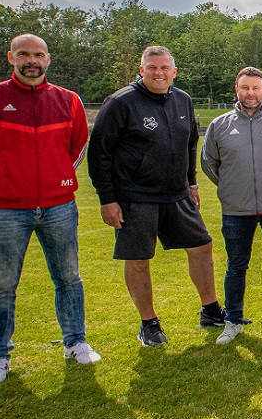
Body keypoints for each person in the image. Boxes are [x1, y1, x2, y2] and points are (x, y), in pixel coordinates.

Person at [0, 33, 96, 386]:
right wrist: (2, 181)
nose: (31, 60)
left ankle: (75, 341)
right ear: (11, 57)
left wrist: (60, 179)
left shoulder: (68, 101)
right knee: (1, 284)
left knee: (69, 277)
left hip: (59, 205)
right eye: (24, 54)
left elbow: (78, 144)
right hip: (7, 209)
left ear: (48, 59)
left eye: (38, 54)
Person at [87, 45, 222, 347]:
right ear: (141, 70)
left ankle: (211, 310)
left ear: (174, 71)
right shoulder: (121, 103)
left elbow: (189, 145)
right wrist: (107, 199)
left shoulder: (183, 100)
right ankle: (148, 323)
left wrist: (192, 183)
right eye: (152, 68)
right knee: (138, 260)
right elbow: (99, 153)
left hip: (177, 195)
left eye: (164, 68)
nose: (158, 73)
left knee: (202, 246)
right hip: (136, 197)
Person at [201, 67, 262, 345]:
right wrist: (231, 186)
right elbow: (209, 163)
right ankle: (233, 320)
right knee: (236, 265)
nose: (251, 93)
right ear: (237, 89)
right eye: (245, 87)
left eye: (256, 88)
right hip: (237, 210)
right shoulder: (220, 125)